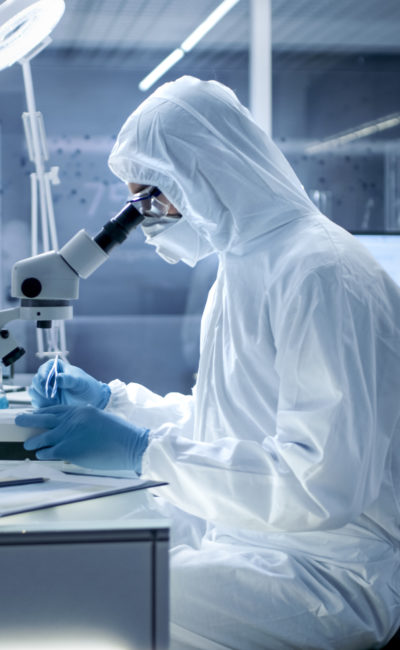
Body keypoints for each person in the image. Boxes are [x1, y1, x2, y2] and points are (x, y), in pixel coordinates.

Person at [16, 76, 400, 650]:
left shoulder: (321, 271)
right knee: (83, 535)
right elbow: (231, 424)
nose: (148, 219)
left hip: (332, 571)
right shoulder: (243, 266)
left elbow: (319, 484)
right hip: (253, 534)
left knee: (75, 583)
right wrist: (113, 402)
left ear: (207, 172)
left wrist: (140, 451)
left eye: (153, 197)